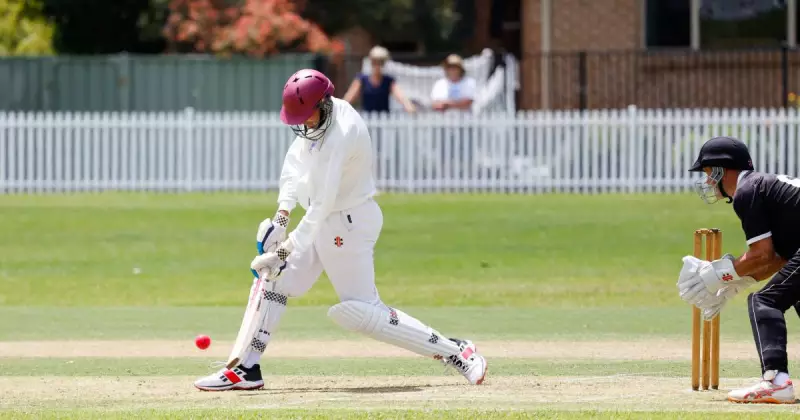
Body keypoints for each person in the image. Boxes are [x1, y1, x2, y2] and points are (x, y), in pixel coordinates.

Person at [193, 69, 487, 391]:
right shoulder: (316, 122)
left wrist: (283, 250)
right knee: (274, 279)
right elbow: (294, 167)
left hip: (348, 224)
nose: (304, 125)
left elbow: (322, 204)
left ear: (324, 104)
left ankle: (457, 351)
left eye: (307, 117)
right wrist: (281, 217)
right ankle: (245, 368)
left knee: (363, 313)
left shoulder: (342, 133)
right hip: (322, 221)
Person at [677, 136, 800, 404]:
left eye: (709, 173)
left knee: (764, 302)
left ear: (721, 170)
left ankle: (776, 381)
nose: (708, 181)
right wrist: (736, 282)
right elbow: (777, 259)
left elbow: (761, 254)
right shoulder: (765, 188)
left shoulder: (747, 191)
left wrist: (715, 275)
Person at [342, 46, 416, 114]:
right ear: (371, 62)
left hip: (383, 119)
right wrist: (341, 109)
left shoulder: (388, 81)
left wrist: (409, 106)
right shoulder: (362, 79)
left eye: (381, 62)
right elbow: (349, 97)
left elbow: (401, 97)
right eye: (375, 61)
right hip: (367, 118)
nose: (377, 65)